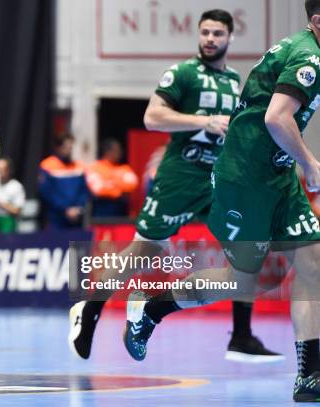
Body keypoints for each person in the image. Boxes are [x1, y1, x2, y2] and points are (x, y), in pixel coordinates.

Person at [122, 1, 320, 401]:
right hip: (244, 180)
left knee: (313, 263)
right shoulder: (308, 58)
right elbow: (276, 118)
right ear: (318, 20)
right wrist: (311, 163)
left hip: (277, 175)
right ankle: (152, 310)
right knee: (240, 281)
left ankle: (310, 376)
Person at [69, 9, 281, 363]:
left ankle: (241, 335)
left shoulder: (233, 79)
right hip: (180, 177)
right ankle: (89, 311)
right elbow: (152, 117)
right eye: (205, 32)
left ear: (230, 38)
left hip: (219, 179)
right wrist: (203, 121)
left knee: (247, 248)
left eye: (217, 33)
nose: (210, 39)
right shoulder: (183, 73)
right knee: (143, 252)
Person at [38, 134, 89, 229]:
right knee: (56, 243)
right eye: (66, 147)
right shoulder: (47, 165)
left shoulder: (78, 166)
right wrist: (65, 209)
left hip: (76, 218)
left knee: (76, 243)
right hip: (56, 218)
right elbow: (46, 192)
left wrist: (78, 208)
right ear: (58, 148)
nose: (69, 151)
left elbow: (84, 190)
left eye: (71, 147)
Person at [86, 138, 138, 218]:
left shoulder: (125, 168)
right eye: (117, 151)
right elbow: (98, 189)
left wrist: (110, 183)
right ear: (108, 152)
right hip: (102, 211)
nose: (120, 153)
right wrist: (119, 191)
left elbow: (132, 184)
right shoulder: (95, 167)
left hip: (121, 211)